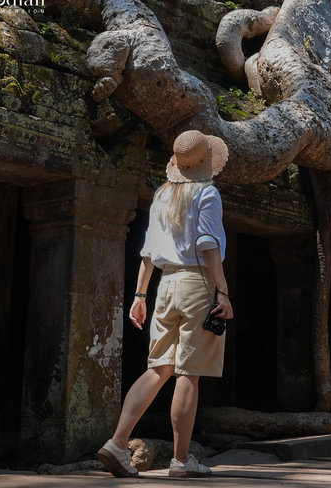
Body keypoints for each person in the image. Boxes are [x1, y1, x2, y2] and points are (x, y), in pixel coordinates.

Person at [97, 130, 233, 478]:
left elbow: (147, 252)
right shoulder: (207, 193)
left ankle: (117, 442)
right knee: (189, 372)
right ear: (206, 162)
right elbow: (207, 244)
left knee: (158, 368)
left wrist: (140, 295)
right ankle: (182, 460)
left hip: (165, 284)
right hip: (197, 283)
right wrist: (223, 291)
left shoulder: (161, 195)